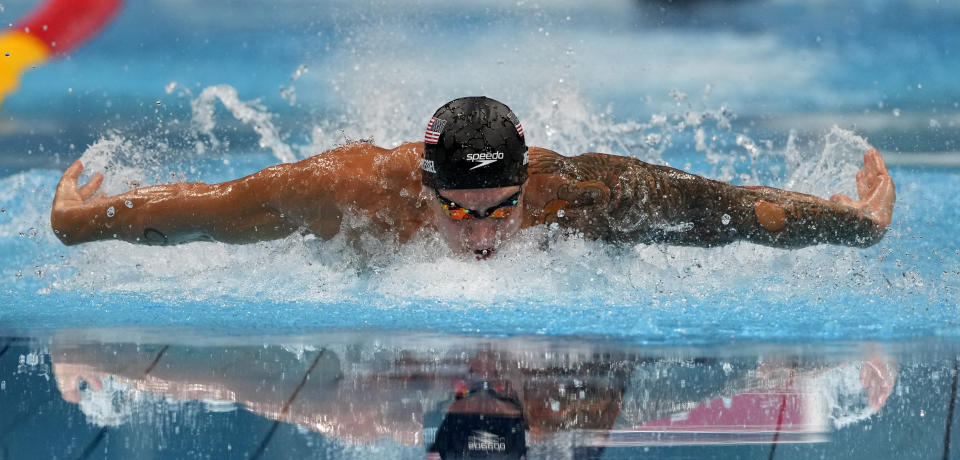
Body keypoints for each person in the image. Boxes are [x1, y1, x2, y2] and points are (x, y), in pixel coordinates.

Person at [50, 96, 895, 260]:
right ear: (423, 185)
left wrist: (849, 223)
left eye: (501, 209)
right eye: (457, 209)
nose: (483, 233)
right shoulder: (347, 190)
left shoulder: (572, 192)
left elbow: (725, 210)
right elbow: (208, 212)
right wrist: (82, 222)